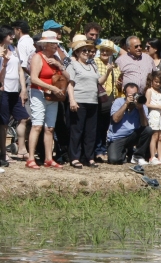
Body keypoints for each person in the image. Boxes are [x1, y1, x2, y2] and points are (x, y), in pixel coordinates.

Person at [26, 31, 70, 169]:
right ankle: (31, 158)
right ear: (45, 45)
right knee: (37, 125)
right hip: (39, 93)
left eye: (56, 43)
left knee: (50, 127)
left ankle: (48, 158)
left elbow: (68, 76)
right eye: (53, 43)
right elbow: (34, 78)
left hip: (52, 96)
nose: (56, 46)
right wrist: (51, 87)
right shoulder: (37, 57)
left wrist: (59, 65)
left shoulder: (56, 58)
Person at [65, 37, 106, 169]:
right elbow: (70, 84)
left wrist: (109, 71)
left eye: (88, 50)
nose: (87, 52)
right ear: (76, 52)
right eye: (84, 50)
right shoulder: (73, 65)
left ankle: (89, 157)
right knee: (77, 130)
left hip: (93, 101)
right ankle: (75, 157)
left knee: (91, 131)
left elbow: (99, 82)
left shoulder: (92, 65)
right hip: (79, 101)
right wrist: (72, 99)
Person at [0, 26, 28, 166]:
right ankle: (3, 153)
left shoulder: (14, 49)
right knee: (3, 124)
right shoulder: (0, 51)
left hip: (14, 91)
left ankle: (21, 149)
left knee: (23, 117)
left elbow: (20, 71)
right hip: (3, 90)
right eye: (9, 35)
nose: (12, 37)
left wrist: (23, 89)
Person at [107, 83, 153, 165]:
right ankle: (126, 151)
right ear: (125, 93)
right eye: (130, 95)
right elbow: (115, 119)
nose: (133, 97)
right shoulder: (118, 102)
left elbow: (145, 125)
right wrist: (126, 104)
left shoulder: (141, 105)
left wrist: (140, 109)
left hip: (132, 135)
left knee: (148, 130)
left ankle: (137, 156)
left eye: (135, 94)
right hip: (118, 137)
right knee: (114, 159)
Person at [94, 39, 120, 160]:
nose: (105, 53)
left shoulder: (115, 66)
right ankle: (98, 150)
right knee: (97, 126)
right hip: (97, 98)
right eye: (103, 50)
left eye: (107, 51)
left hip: (111, 98)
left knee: (106, 126)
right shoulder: (94, 62)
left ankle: (103, 149)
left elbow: (116, 83)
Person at [144, 71, 161, 165]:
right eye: (156, 81)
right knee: (154, 136)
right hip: (153, 115)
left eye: (159, 82)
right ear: (152, 81)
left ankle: (160, 156)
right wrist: (159, 107)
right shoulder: (149, 91)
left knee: (160, 137)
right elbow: (147, 104)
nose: (158, 84)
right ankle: (152, 156)